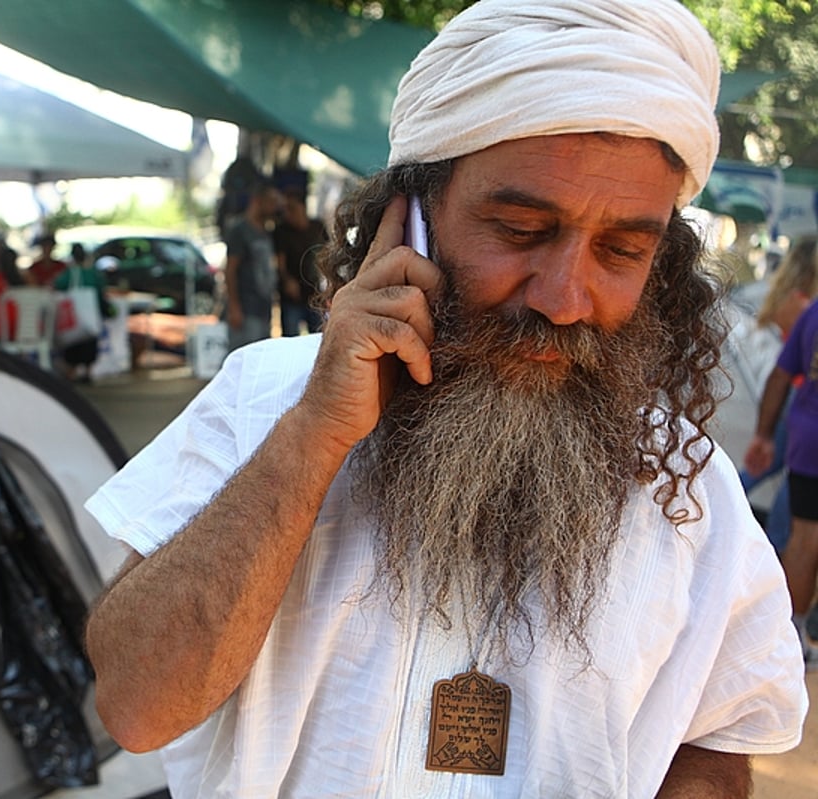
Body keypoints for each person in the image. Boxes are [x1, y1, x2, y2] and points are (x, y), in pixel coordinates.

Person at [81, 2, 808, 796]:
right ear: (411, 221)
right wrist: (314, 437)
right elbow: (136, 707)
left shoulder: (688, 490)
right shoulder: (264, 398)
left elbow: (715, 740)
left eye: (621, 250)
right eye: (522, 230)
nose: (566, 298)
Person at [745, 284, 818, 667]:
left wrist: (763, 435)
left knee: (804, 538)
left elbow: (780, 375)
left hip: (809, 438)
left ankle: (791, 634)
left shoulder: (814, 311)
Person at [739, 237, 818, 552]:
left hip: (791, 398)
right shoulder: (804, 304)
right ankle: (771, 547)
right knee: (790, 486)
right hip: (797, 397)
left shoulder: (789, 298)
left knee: (764, 470)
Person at [222, 180, 282, 351]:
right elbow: (230, 269)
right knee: (244, 357)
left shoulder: (265, 231)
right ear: (257, 200)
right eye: (271, 202)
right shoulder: (239, 230)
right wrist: (234, 306)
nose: (274, 207)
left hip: (263, 307)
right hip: (246, 308)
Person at [52, 242, 111, 382]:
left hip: (74, 318)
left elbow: (57, 287)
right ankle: (88, 371)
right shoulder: (93, 274)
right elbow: (101, 294)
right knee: (89, 343)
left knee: (73, 344)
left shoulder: (68, 274)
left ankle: (71, 371)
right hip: (90, 317)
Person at [273, 187, 328, 335]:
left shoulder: (317, 227)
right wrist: (287, 281)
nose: (288, 214)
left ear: (302, 207)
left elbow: (328, 253)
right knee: (290, 337)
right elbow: (279, 261)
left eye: (291, 208)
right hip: (292, 296)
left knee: (319, 336)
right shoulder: (282, 231)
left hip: (315, 293)